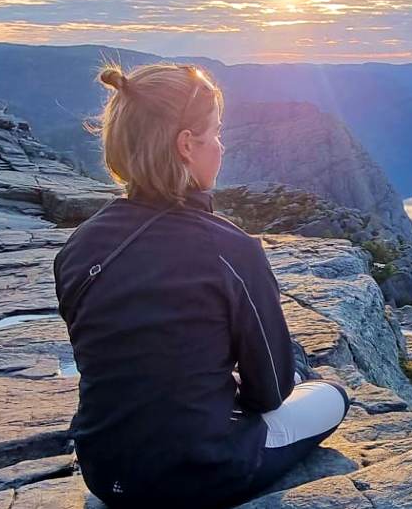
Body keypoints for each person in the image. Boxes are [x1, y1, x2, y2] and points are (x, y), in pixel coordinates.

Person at [53, 63, 350, 507]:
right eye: (215, 133)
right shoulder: (231, 249)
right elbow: (268, 392)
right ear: (186, 146)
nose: (222, 146)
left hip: (103, 470)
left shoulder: (78, 248)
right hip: (199, 473)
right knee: (331, 395)